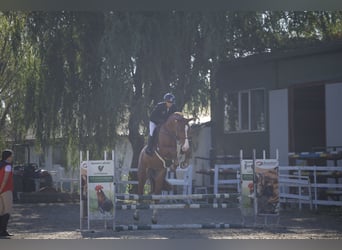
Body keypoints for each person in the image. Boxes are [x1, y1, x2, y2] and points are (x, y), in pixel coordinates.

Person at [0, 149, 14, 237]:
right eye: (12, 155)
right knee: (7, 210)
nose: (12, 157)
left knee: (0, 210)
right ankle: (3, 230)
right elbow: (5, 179)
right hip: (6, 189)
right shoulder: (8, 166)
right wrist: (1, 189)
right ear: (8, 156)